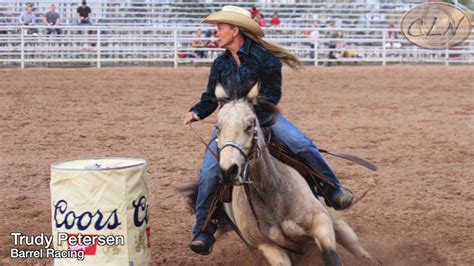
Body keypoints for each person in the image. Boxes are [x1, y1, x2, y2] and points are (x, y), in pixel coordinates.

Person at [183, 6, 354, 255]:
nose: (216, 33)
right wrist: (197, 111)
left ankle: (332, 189)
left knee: (302, 144)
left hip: (262, 118)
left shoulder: (265, 59)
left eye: (220, 28)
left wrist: (249, 111)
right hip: (232, 123)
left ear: (235, 30)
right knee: (210, 172)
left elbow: (272, 95)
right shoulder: (220, 63)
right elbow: (210, 96)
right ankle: (203, 230)